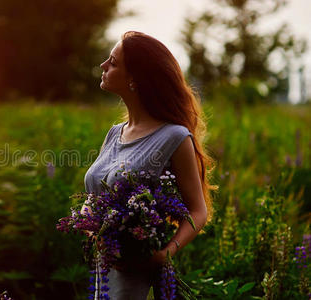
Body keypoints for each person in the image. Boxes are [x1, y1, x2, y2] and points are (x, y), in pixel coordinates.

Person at [81, 31, 217, 299]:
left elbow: (198, 211)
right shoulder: (114, 133)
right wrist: (86, 223)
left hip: (137, 270)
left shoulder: (174, 136)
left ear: (134, 79)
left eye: (113, 61)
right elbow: (93, 195)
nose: (103, 66)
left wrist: (164, 253)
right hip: (103, 265)